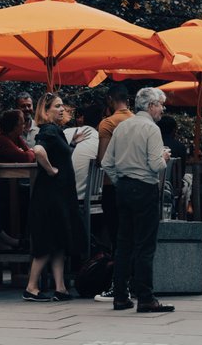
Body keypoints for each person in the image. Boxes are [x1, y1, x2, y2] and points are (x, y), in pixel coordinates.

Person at [101, 86, 175, 313]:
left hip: (122, 188)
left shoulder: (122, 127)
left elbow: (106, 162)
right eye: (161, 105)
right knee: (144, 245)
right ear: (151, 106)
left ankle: (120, 296)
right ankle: (145, 297)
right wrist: (164, 157)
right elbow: (156, 165)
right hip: (145, 187)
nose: (162, 109)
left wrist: (120, 180)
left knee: (124, 244)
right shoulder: (151, 129)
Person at [23, 92, 88, 302]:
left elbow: (52, 152)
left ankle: (60, 288)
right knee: (48, 241)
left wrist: (72, 145)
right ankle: (31, 287)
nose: (62, 109)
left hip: (58, 195)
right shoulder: (49, 130)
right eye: (57, 106)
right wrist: (51, 171)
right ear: (46, 110)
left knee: (58, 241)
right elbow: (39, 150)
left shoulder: (55, 131)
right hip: (51, 196)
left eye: (62, 106)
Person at [97, 84, 133, 250]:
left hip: (112, 184)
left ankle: (118, 272)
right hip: (136, 184)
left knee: (115, 233)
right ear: (127, 100)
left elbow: (103, 160)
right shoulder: (138, 122)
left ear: (110, 100)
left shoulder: (108, 123)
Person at [64, 102, 102, 201]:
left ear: (84, 118)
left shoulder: (66, 133)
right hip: (91, 199)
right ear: (102, 121)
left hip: (64, 198)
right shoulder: (102, 141)